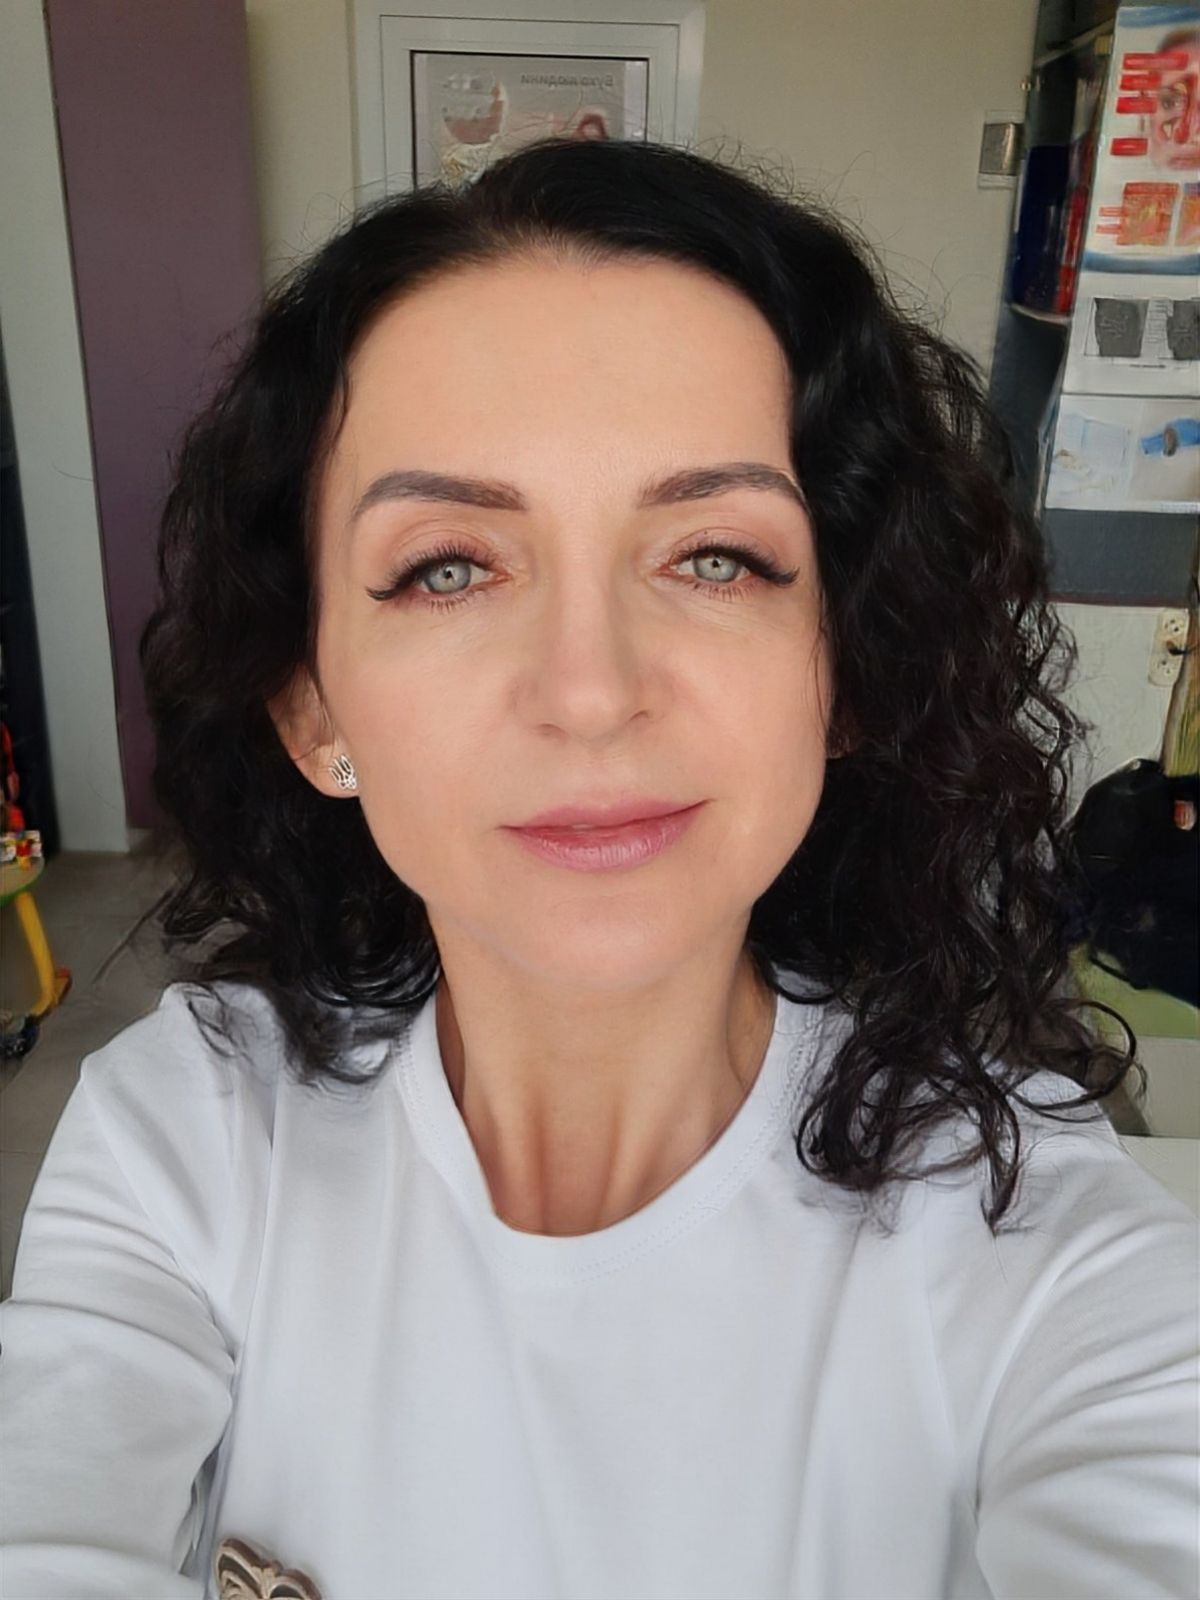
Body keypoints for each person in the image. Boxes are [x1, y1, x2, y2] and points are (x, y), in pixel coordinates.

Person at [0, 137, 1195, 1600]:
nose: (589, 691)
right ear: (313, 708)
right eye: (448, 566)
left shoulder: (1048, 1249)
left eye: (715, 557)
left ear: (848, 667)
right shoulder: (185, 1135)